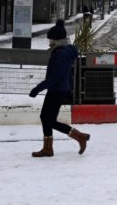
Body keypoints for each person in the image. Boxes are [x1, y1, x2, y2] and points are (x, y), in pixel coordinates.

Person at [29, 19, 90, 157]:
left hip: (58, 90)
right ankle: (48, 148)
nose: (49, 42)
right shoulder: (61, 51)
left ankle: (79, 137)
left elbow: (55, 76)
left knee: (48, 119)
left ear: (57, 40)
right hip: (58, 89)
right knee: (46, 117)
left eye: (51, 39)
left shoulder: (61, 54)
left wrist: (38, 89)